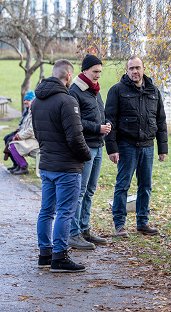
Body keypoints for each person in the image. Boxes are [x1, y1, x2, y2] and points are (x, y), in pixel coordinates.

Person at [32, 59, 91, 272]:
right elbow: (75, 137)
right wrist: (86, 156)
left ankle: (44, 254)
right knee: (65, 211)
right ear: (67, 76)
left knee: (46, 211)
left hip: (47, 164)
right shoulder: (67, 101)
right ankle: (60, 256)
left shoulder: (37, 101)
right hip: (66, 167)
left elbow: (39, 135)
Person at [105, 56, 168, 237]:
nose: (135, 71)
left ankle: (142, 222)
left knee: (145, 186)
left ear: (143, 68)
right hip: (126, 146)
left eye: (137, 68)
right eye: (131, 68)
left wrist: (162, 149)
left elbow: (161, 121)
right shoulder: (117, 91)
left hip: (147, 146)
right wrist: (112, 148)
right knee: (122, 185)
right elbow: (110, 121)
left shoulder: (153, 91)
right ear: (126, 70)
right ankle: (119, 225)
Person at [68, 54, 110, 250]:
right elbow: (75, 122)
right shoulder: (75, 91)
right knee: (80, 191)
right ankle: (73, 233)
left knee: (90, 191)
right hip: (85, 147)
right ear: (84, 70)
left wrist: (106, 123)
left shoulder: (94, 90)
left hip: (98, 145)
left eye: (100, 72)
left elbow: (99, 113)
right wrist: (97, 128)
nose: (98, 76)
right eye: (95, 72)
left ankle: (85, 229)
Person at [8, 91, 39, 175]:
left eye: (28, 101)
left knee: (12, 145)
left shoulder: (35, 112)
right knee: (11, 143)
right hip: (29, 138)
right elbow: (24, 127)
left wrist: (19, 136)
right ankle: (19, 165)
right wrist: (18, 135)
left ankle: (23, 166)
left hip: (34, 140)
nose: (26, 104)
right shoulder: (30, 111)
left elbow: (31, 131)